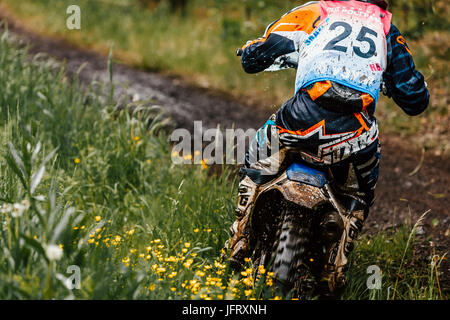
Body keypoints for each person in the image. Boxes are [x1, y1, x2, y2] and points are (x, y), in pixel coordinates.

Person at [225, 0, 429, 293]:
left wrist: (249, 51)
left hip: (298, 120)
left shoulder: (315, 11)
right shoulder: (387, 30)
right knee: (359, 195)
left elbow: (257, 54)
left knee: (255, 163)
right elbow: (415, 99)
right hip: (355, 135)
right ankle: (337, 264)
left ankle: (240, 238)